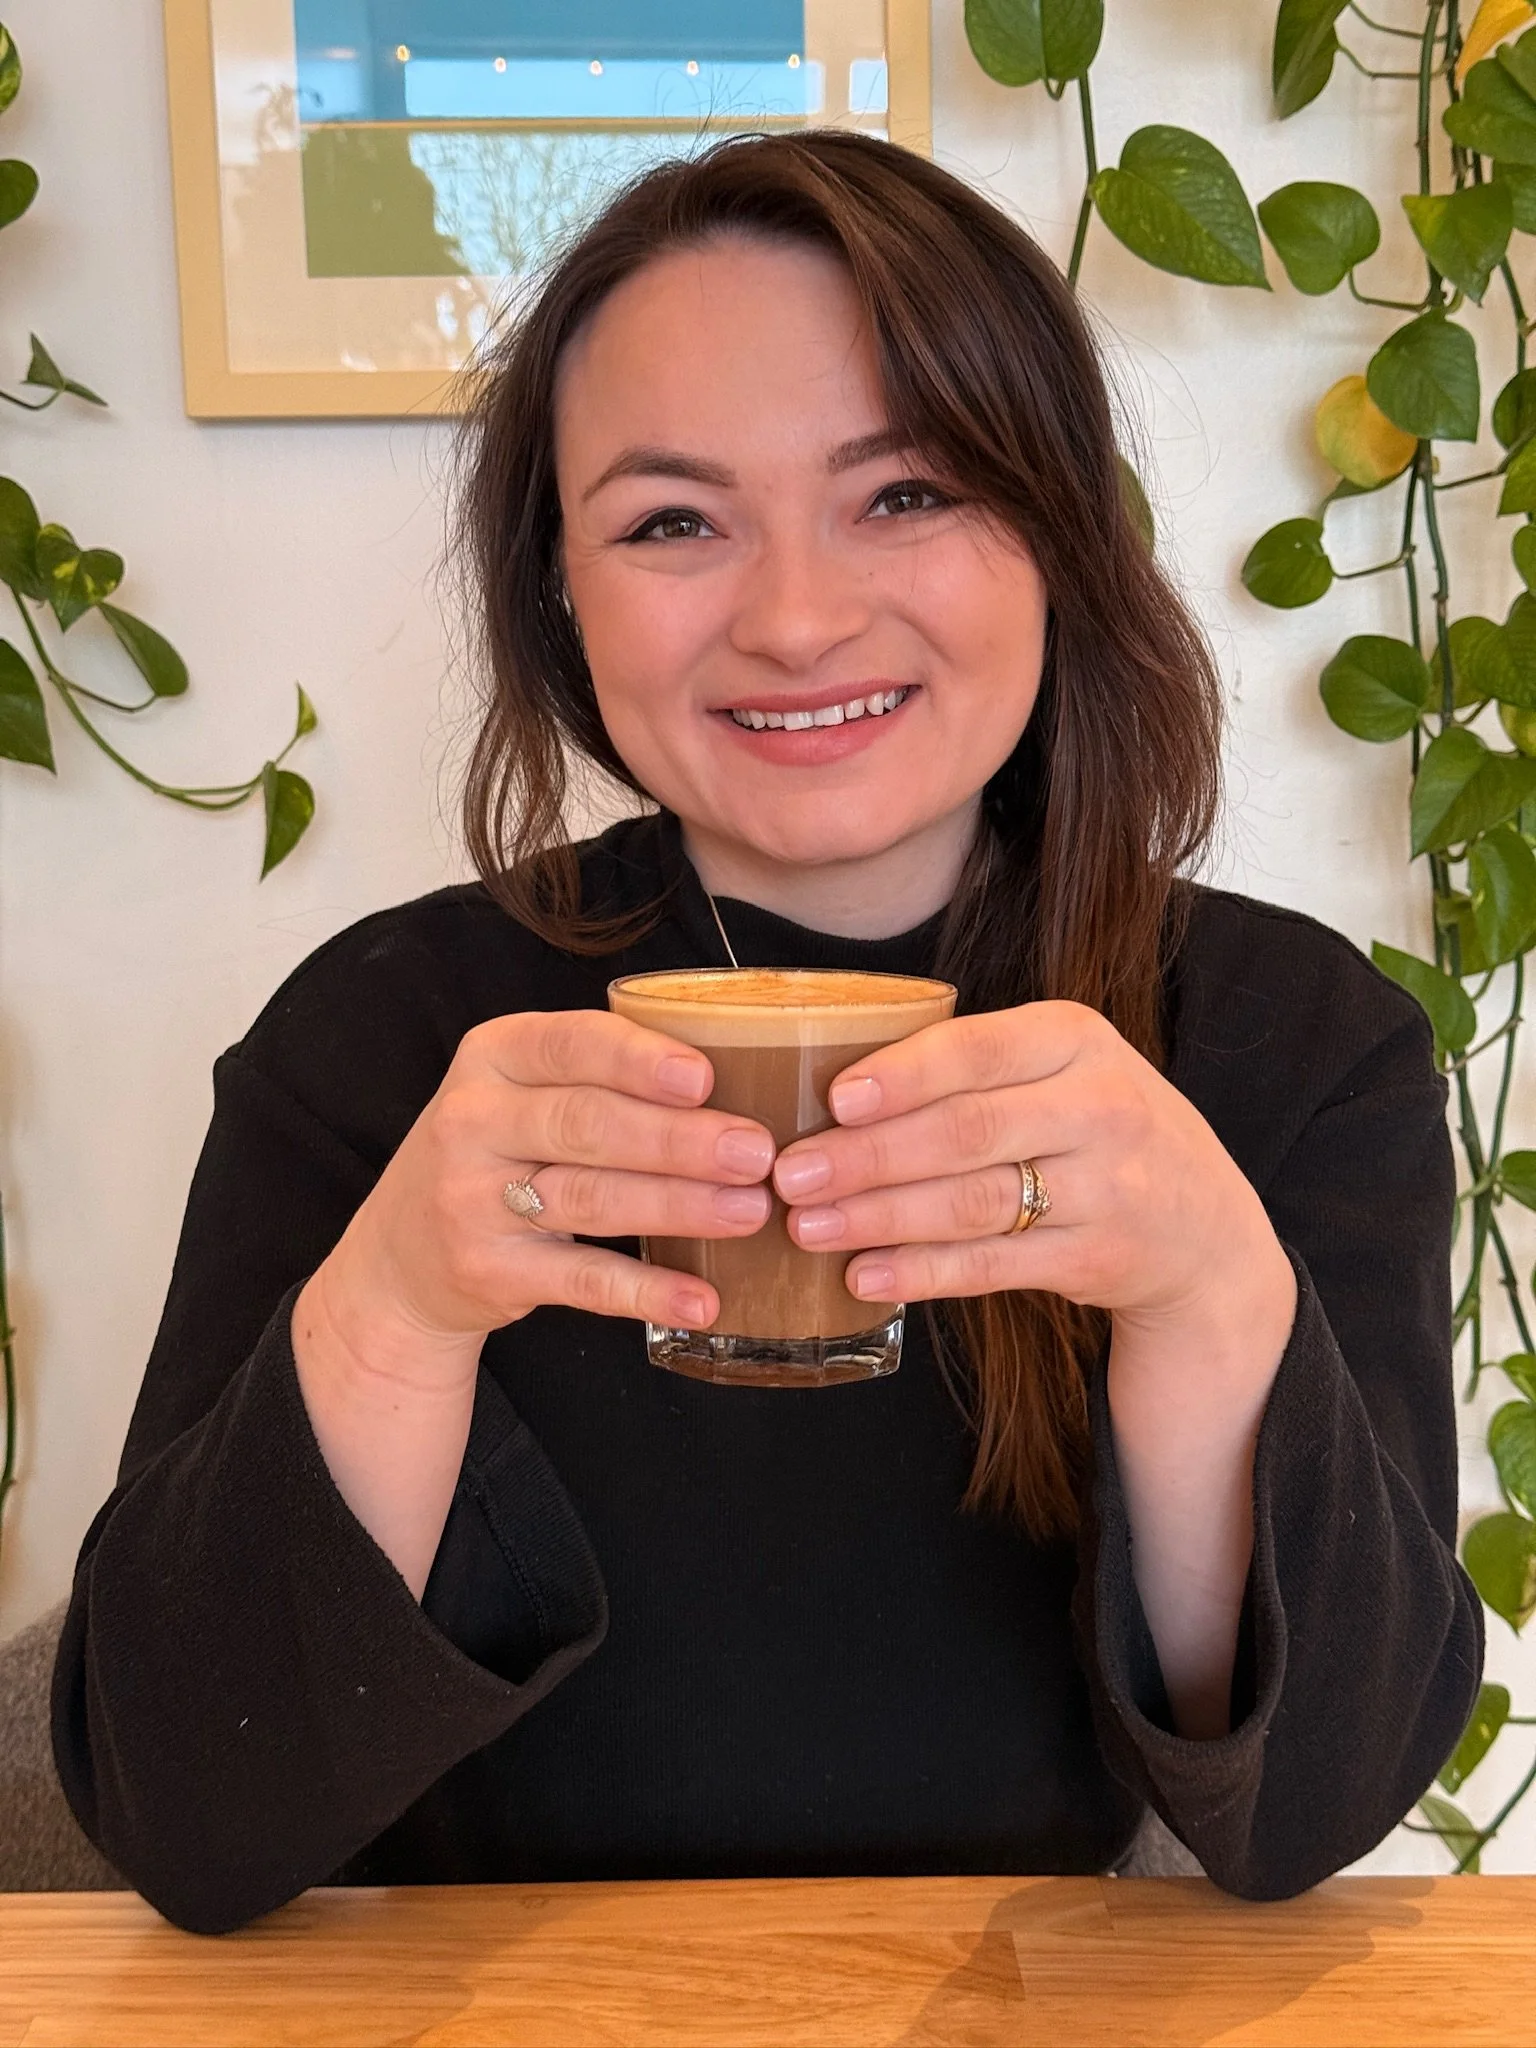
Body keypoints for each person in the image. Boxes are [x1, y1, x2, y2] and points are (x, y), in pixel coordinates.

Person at [51, 130, 1481, 1936]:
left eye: (905, 493)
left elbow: (1316, 1815)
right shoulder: (385, 1042)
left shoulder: (1288, 1043)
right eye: (672, 521)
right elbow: (179, 1817)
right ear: (559, 587)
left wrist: (1204, 1292)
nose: (798, 618)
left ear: (1054, 526)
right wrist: (400, 1310)